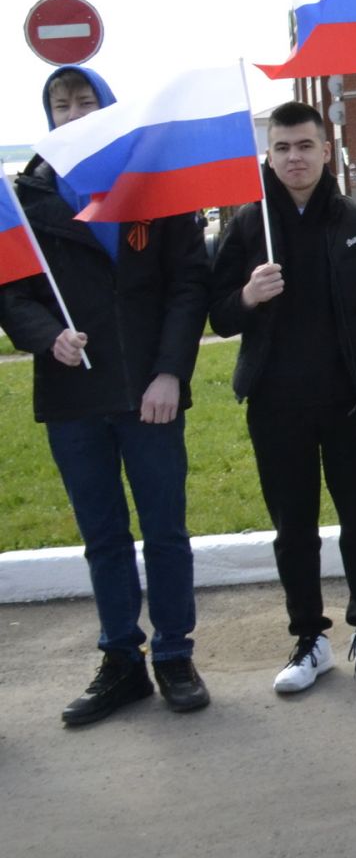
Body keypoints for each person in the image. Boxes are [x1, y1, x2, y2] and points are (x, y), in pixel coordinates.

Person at [0, 66, 211, 726]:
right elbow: (12, 293)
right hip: (74, 395)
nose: (73, 112)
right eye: (60, 104)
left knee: (165, 533)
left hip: (152, 393)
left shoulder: (155, 186)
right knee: (104, 539)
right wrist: (46, 337)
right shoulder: (26, 198)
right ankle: (122, 661)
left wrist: (171, 373)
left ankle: (175, 654)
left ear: (110, 107)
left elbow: (189, 286)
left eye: (85, 100)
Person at [208, 101, 356, 693]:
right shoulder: (248, 226)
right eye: (282, 148)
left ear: (327, 151)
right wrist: (247, 295)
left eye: (305, 146)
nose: (294, 158)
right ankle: (308, 640)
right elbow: (218, 318)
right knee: (292, 526)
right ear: (267, 157)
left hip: (353, 405)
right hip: (277, 404)